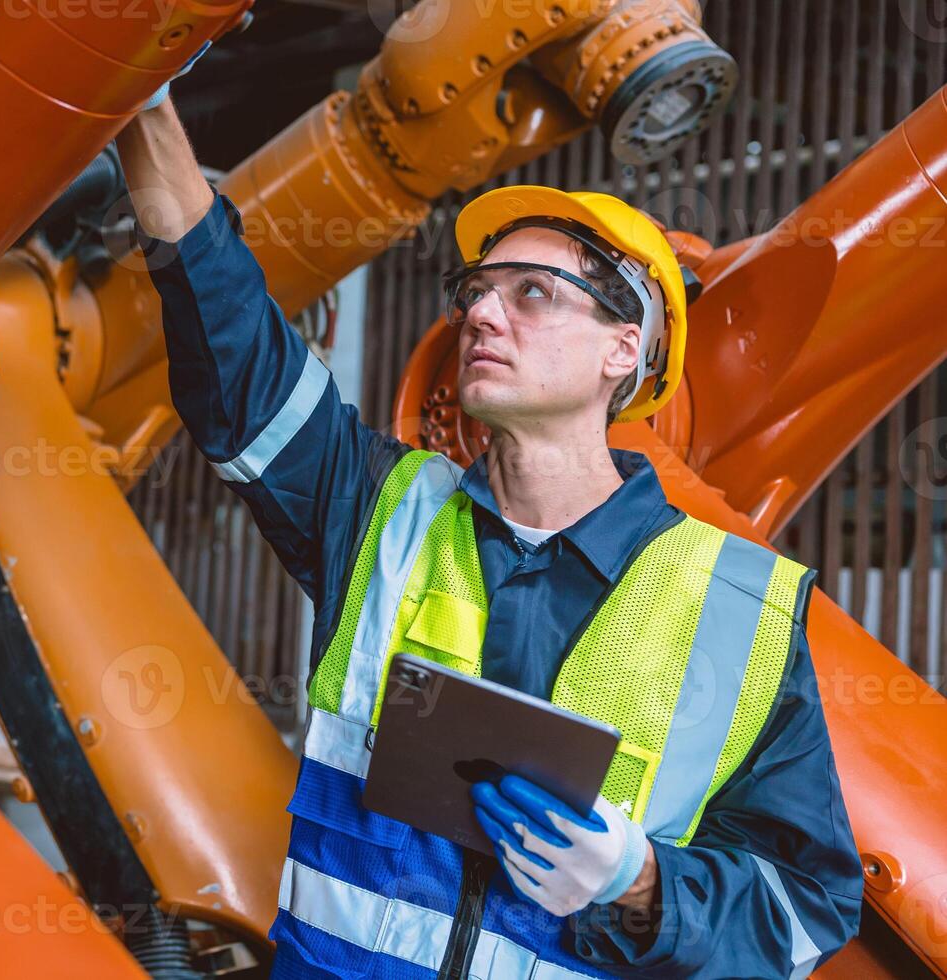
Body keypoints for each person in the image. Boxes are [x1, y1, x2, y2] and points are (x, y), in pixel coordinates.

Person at [116, 90, 862, 978]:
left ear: (625, 349)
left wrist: (644, 882)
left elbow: (806, 910)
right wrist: (142, 107)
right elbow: (237, 352)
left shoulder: (741, 611)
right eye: (475, 291)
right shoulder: (380, 510)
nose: (480, 313)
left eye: (534, 293)